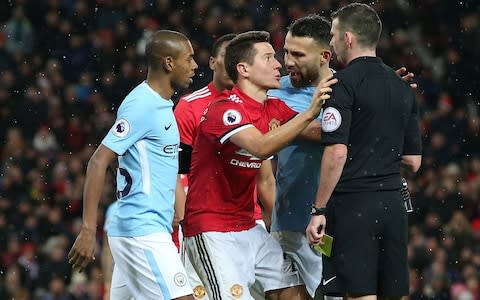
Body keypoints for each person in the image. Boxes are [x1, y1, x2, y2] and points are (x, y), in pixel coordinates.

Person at [182, 30, 336, 300]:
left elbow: (319, 132)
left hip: (250, 227)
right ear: (244, 69)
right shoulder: (223, 109)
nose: (278, 64)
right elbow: (262, 146)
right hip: (212, 230)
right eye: (268, 58)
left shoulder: (273, 108)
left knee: (295, 294)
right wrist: (310, 111)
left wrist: (376, 97)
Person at [68, 30, 198, 300]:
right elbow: (98, 161)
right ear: (169, 63)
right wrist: (88, 229)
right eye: (189, 59)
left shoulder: (161, 104)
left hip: (144, 228)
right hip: (142, 231)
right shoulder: (142, 105)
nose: (195, 65)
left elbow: (128, 159)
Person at [306, 3, 422, 300]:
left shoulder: (340, 84)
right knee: (393, 294)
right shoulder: (401, 87)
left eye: (332, 35)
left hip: (353, 206)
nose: (330, 43)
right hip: (393, 205)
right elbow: (413, 161)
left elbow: (337, 153)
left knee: (359, 295)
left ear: (348, 38)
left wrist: (318, 210)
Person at [174, 33, 271, 300]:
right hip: (209, 225)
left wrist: (273, 218)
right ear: (214, 63)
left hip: (251, 221)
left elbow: (264, 174)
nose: (235, 64)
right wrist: (182, 219)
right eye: (230, 58)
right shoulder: (189, 107)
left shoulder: (257, 103)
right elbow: (177, 170)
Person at [267, 15, 334, 300]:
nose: (288, 61)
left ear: (324, 56)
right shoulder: (273, 90)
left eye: (298, 54)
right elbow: (324, 132)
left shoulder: (346, 91)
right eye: (286, 52)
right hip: (288, 223)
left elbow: (335, 134)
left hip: (332, 224)